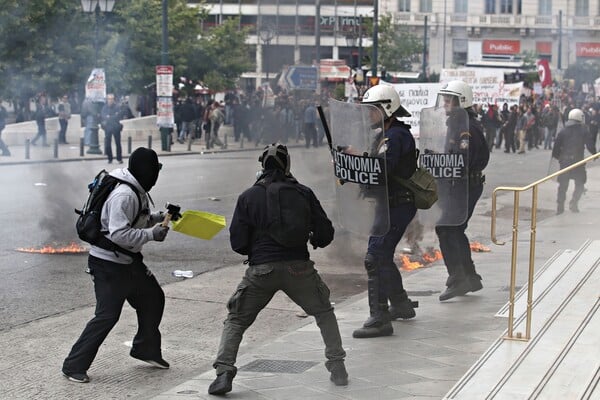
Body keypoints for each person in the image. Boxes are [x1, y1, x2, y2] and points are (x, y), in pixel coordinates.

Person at [208, 143, 348, 395]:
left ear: (262, 165)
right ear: (287, 165)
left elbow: (237, 243)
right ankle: (337, 366)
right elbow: (326, 234)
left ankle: (224, 373)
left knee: (236, 320)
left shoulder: (248, 196)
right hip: (299, 269)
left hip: (261, 271)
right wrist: (312, 237)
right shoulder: (303, 193)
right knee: (324, 313)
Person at [62, 147, 171, 383]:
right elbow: (119, 233)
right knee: (107, 315)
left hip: (128, 261)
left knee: (153, 298)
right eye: (155, 170)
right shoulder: (125, 194)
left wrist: (157, 216)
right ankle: (73, 365)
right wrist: (152, 234)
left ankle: (145, 349)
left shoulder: (136, 188)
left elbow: (137, 217)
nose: (156, 175)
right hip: (108, 264)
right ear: (146, 172)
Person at [351, 85, 418, 339]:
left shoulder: (397, 136)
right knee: (382, 255)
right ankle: (400, 304)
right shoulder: (383, 134)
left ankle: (379, 318)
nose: (369, 115)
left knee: (375, 257)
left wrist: (359, 158)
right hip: (389, 204)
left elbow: (383, 169)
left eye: (373, 110)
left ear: (387, 108)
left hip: (397, 204)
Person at [434, 80, 490, 301]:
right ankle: (469, 276)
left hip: (465, 185)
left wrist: (447, 163)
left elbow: (464, 158)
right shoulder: (456, 123)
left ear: (462, 101)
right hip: (456, 184)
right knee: (453, 228)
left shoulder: (467, 127)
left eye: (450, 99)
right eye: (445, 98)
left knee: (448, 228)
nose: (446, 102)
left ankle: (459, 278)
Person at [552, 108, 597, 214]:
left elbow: (556, 148)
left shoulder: (563, 131)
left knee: (563, 185)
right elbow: (590, 145)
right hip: (578, 162)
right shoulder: (584, 131)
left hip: (565, 162)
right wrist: (595, 154)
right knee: (580, 184)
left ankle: (560, 207)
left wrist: (560, 158)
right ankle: (574, 203)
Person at [100, 94, 124, 164]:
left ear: (114, 100)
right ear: (107, 100)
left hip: (116, 127)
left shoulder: (117, 107)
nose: (110, 100)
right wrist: (110, 117)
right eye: (109, 99)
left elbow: (118, 116)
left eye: (112, 99)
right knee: (107, 144)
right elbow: (103, 116)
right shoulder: (105, 107)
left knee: (118, 143)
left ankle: (119, 158)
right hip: (108, 127)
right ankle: (110, 158)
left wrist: (109, 117)